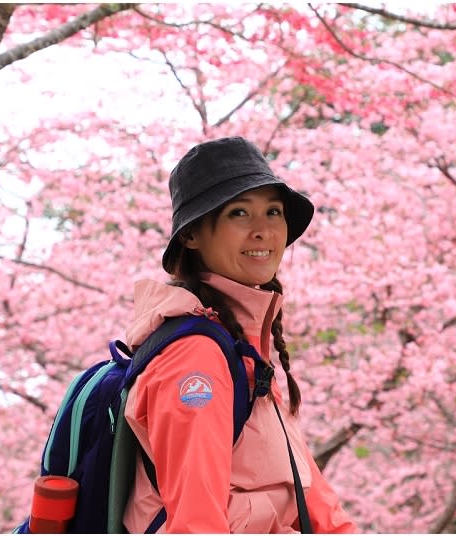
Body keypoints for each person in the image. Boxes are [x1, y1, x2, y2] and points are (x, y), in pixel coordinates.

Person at [121, 136, 357, 533]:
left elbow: (307, 489)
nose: (263, 230)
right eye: (239, 213)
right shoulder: (196, 358)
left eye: (273, 212)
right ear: (191, 236)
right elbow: (197, 523)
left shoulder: (241, 349)